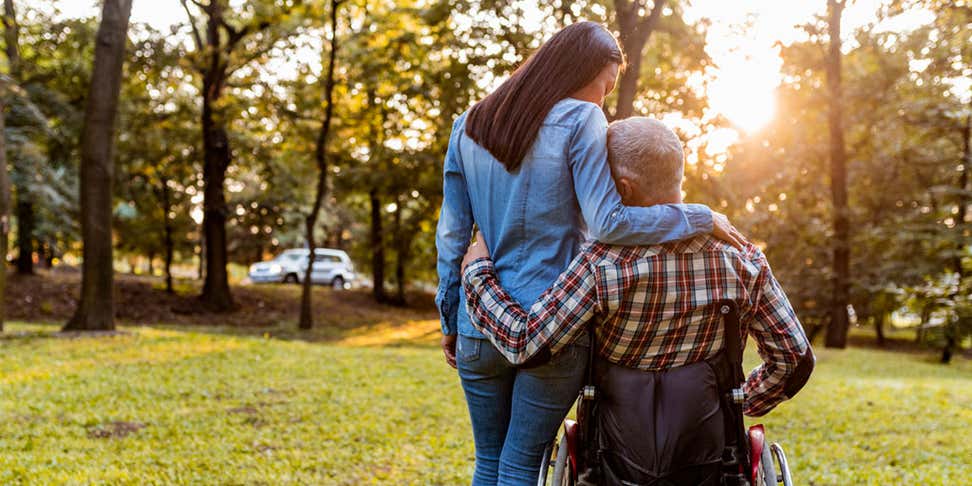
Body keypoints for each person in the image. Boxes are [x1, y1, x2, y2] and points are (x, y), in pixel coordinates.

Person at [435, 22, 745, 485]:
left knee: (488, 461)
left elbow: (452, 237)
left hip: (478, 323)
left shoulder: (469, 123)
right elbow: (610, 223)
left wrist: (450, 314)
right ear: (581, 72)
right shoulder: (582, 120)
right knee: (522, 463)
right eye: (605, 86)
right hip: (552, 324)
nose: (603, 99)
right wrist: (698, 216)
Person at [460, 117, 814, 484]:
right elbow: (795, 359)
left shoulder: (601, 263)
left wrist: (478, 274)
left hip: (613, 457)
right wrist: (738, 401)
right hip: (712, 457)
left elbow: (525, 343)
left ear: (622, 189)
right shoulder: (741, 259)